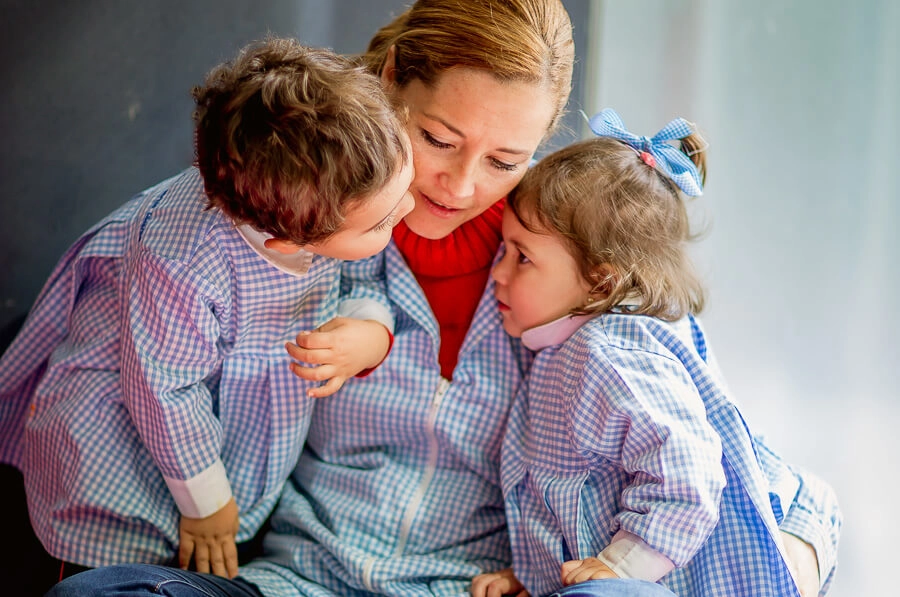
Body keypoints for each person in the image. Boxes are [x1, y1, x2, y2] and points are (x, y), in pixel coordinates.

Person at [47, 2, 840, 596]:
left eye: (505, 160)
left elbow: (708, 441)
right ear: (393, 79)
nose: (460, 187)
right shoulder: (292, 219)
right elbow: (151, 377)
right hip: (297, 578)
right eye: (438, 140)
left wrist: (801, 539)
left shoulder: (572, 265)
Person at [0, 36, 414, 591]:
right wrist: (207, 501)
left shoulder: (324, 195)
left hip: (229, 416)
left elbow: (362, 277)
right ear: (290, 242)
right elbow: (164, 388)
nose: (408, 208)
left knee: (205, 552)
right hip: (131, 431)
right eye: (382, 222)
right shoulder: (183, 259)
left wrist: (370, 328)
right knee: (116, 564)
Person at [471, 109, 842, 597]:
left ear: (600, 282)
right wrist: (536, 575)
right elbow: (579, 497)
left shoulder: (609, 353)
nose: (498, 273)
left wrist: (620, 568)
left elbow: (685, 471)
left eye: (522, 257)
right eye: (504, 251)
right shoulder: (565, 350)